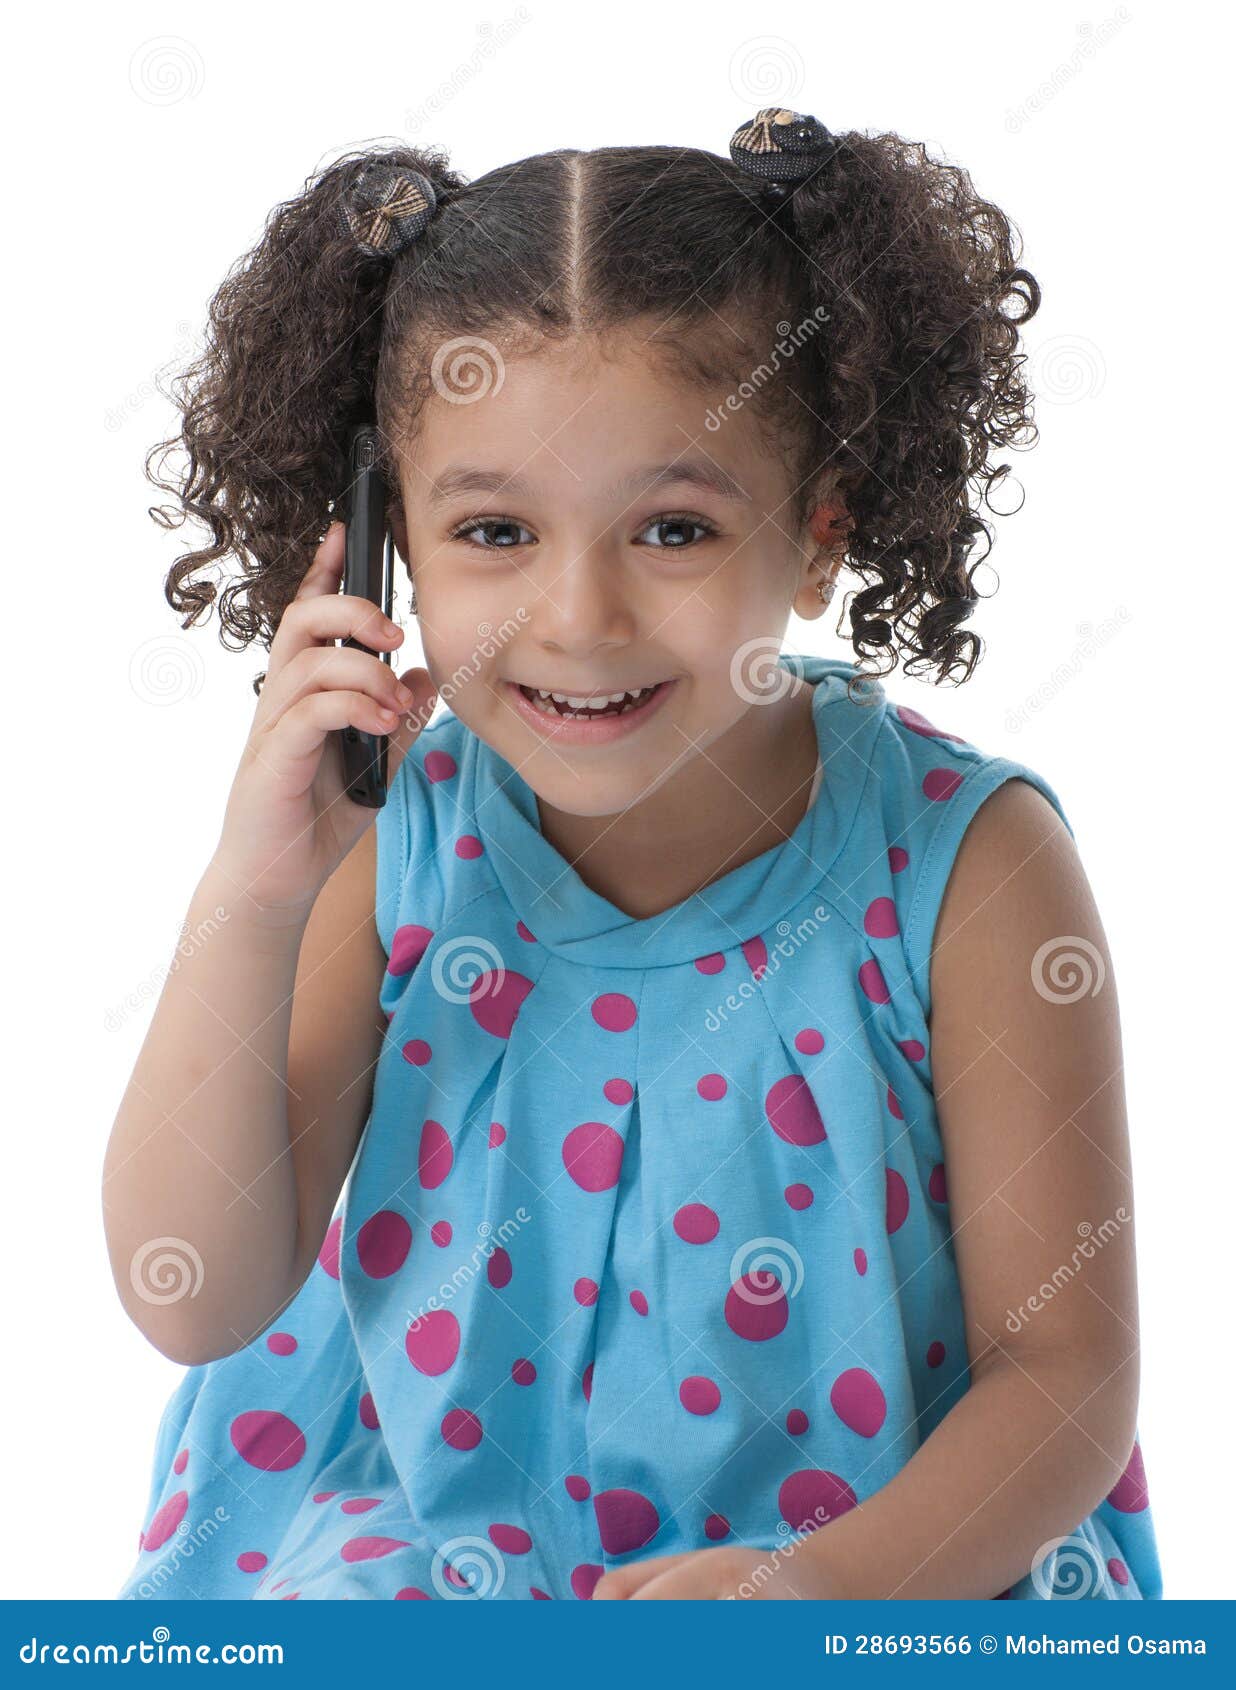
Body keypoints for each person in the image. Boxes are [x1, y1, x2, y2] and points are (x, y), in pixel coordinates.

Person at [105, 108, 1162, 1601]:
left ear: (818, 534)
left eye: (672, 529)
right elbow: (194, 1296)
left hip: (885, 1554)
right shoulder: (397, 837)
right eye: (494, 532)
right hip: (445, 1541)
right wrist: (254, 892)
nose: (581, 618)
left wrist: (814, 1592)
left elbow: (1064, 1373)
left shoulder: (969, 867)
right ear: (387, 543)